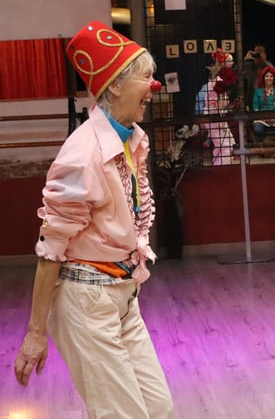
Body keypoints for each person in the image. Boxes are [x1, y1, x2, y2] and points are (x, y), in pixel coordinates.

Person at [13, 21, 173, 418]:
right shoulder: (82, 155)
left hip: (123, 295)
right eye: (146, 77)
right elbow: (51, 250)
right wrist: (36, 333)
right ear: (115, 86)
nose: (154, 87)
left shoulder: (131, 138)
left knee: (158, 408)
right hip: (86, 301)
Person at [195, 50, 236, 165]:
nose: (232, 63)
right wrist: (225, 103)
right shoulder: (217, 82)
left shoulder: (218, 81)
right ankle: (221, 168)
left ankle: (221, 165)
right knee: (224, 146)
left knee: (225, 144)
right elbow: (217, 103)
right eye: (230, 61)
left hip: (217, 115)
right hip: (214, 116)